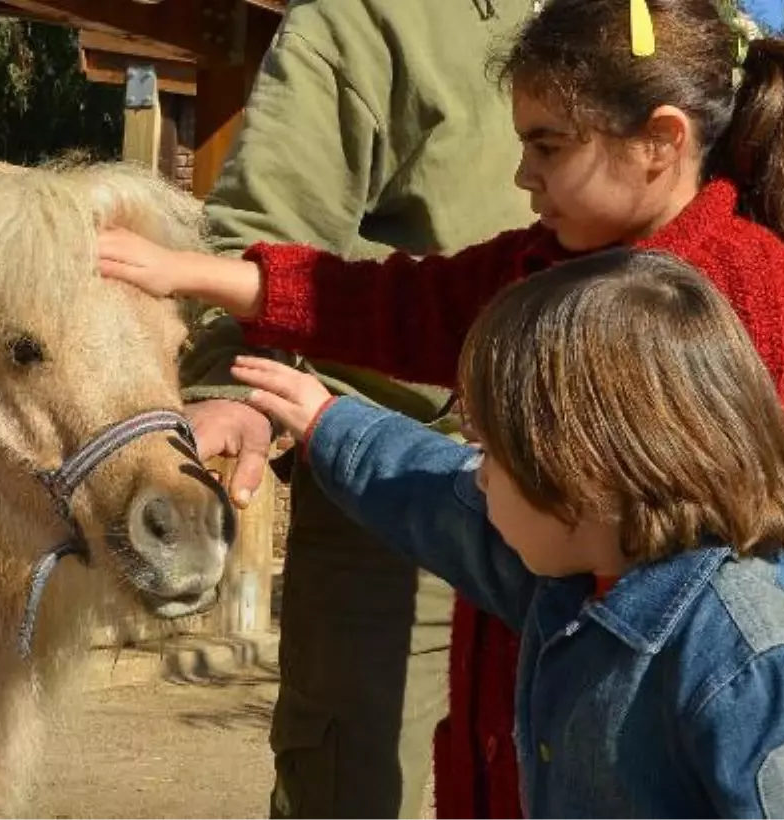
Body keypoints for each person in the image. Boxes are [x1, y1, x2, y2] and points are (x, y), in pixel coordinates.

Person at [96, 1, 784, 816]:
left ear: (660, 141)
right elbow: (387, 304)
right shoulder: (539, 265)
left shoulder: (750, 292)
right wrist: (191, 274)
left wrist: (625, 587)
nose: (522, 176)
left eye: (547, 146)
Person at [230, 248, 784, 818]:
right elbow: (436, 496)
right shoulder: (578, 578)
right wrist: (326, 423)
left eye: (489, 453)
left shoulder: (764, 670)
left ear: (579, 469)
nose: (479, 477)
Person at [173, 1, 533, 818]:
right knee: (364, 790)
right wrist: (234, 388)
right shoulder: (367, 17)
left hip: (607, 518)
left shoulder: (636, 18)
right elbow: (263, 230)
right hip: (400, 504)